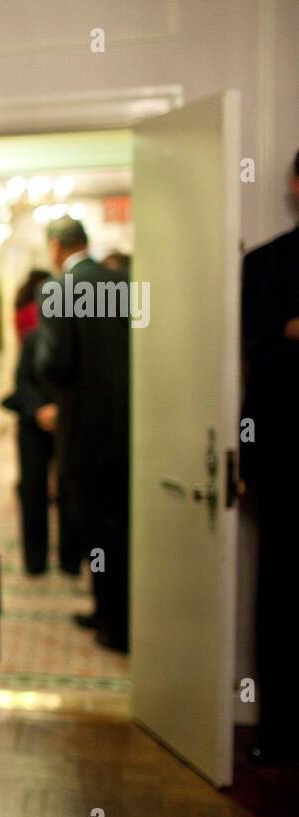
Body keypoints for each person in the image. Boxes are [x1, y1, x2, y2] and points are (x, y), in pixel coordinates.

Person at [35, 216, 131, 651]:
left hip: (83, 431)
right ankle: (116, 614)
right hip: (128, 429)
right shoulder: (122, 282)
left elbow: (54, 363)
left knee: (95, 531)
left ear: (56, 247)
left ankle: (112, 622)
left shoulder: (60, 289)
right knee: (122, 528)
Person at [240, 149, 299, 764]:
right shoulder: (269, 263)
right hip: (283, 459)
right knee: (280, 597)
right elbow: (265, 345)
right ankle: (277, 730)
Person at [3, 271, 80, 577]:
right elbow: (21, 381)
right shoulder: (33, 340)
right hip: (33, 425)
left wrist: (59, 411)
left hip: (67, 425)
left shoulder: (75, 340)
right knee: (33, 492)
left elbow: (79, 384)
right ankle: (35, 561)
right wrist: (40, 409)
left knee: (68, 491)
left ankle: (70, 559)